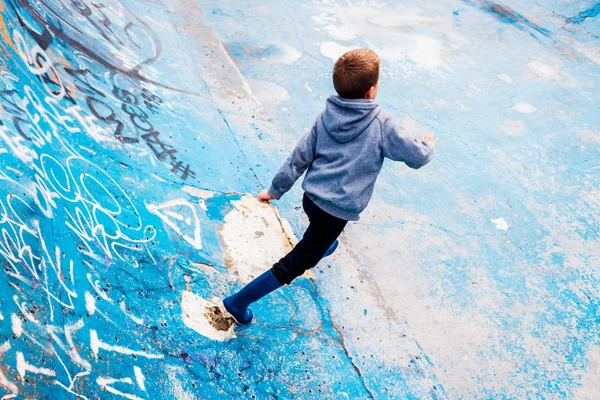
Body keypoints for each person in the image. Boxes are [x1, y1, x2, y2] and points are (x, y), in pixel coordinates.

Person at [223, 49, 438, 325]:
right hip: (334, 212)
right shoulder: (382, 123)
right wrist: (427, 146)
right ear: (371, 91)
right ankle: (238, 302)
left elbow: (298, 157)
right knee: (296, 264)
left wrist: (275, 190)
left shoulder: (325, 116)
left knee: (320, 238)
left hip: (311, 198)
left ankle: (320, 245)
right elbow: (416, 157)